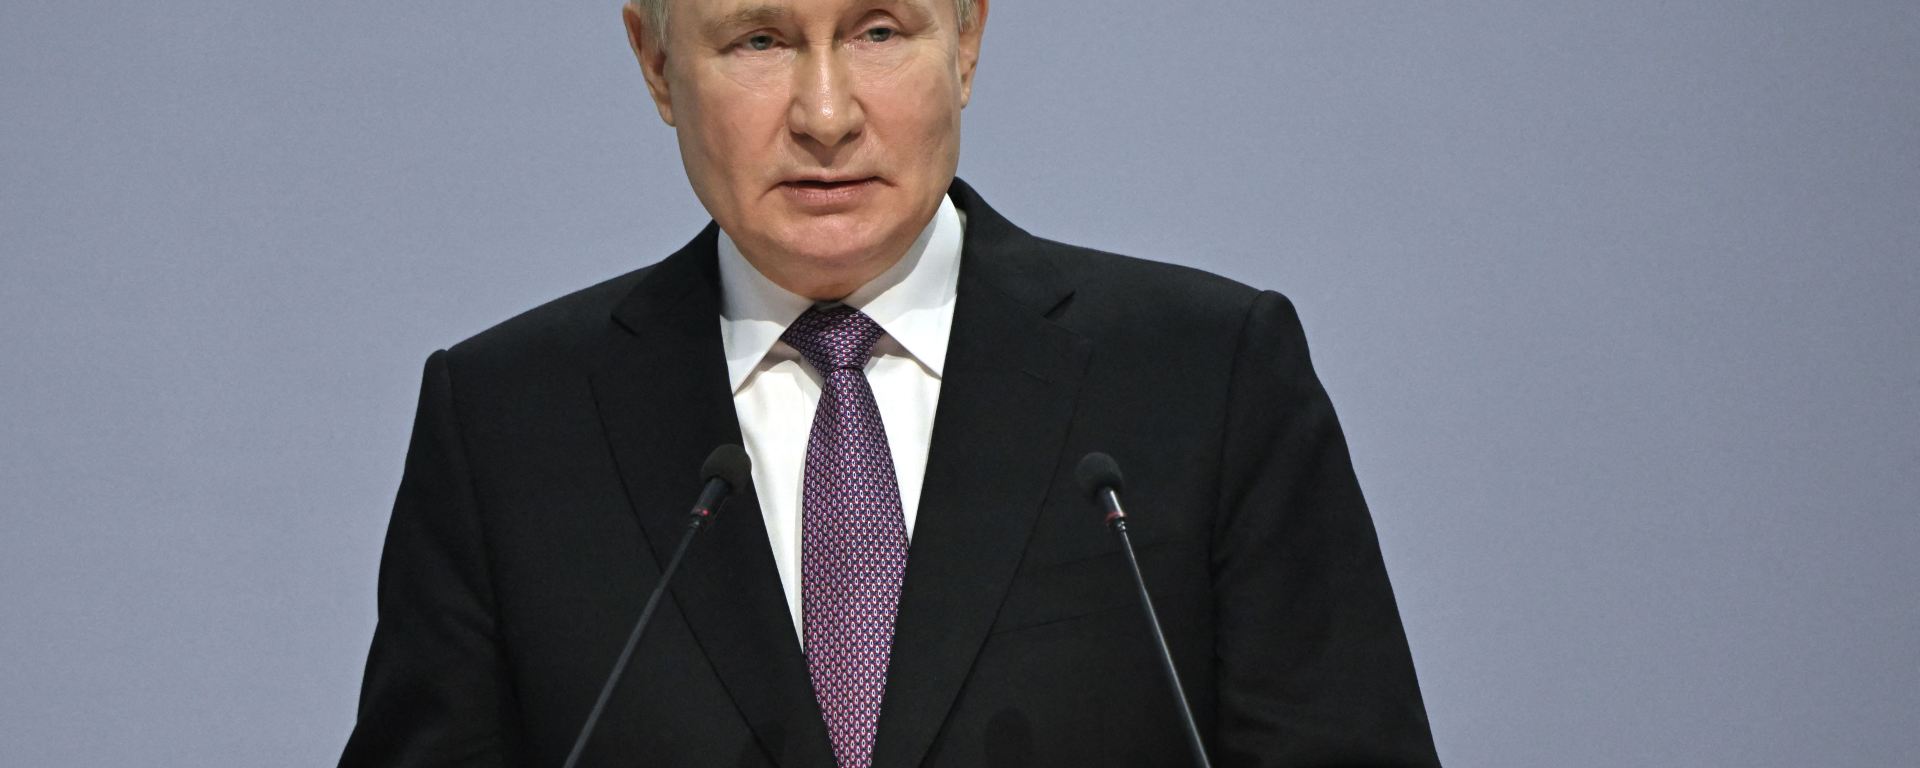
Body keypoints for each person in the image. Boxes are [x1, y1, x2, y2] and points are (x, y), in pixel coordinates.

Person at [339, 0, 1441, 765]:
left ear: (967, 39)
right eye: (760, 40)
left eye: (877, 31)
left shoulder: (1205, 377)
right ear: (655, 63)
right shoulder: (508, 423)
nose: (826, 115)